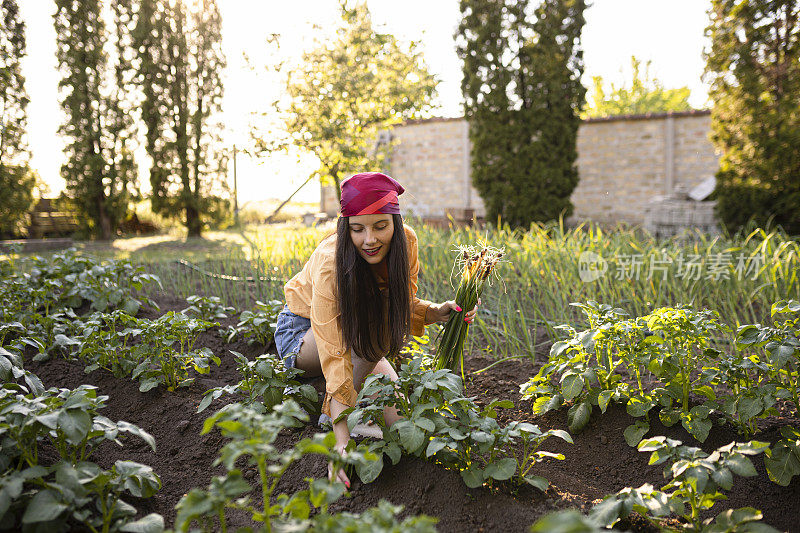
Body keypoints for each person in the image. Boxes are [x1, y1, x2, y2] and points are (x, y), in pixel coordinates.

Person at [274, 172, 477, 487]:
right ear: (346, 228)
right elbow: (333, 350)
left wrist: (436, 312)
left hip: (364, 334)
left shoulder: (406, 242)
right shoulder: (332, 263)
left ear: (395, 222)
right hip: (302, 334)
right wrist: (340, 438)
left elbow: (401, 300)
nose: (369, 239)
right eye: (358, 229)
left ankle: (361, 411)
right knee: (375, 333)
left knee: (398, 423)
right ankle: (334, 419)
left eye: (380, 226)